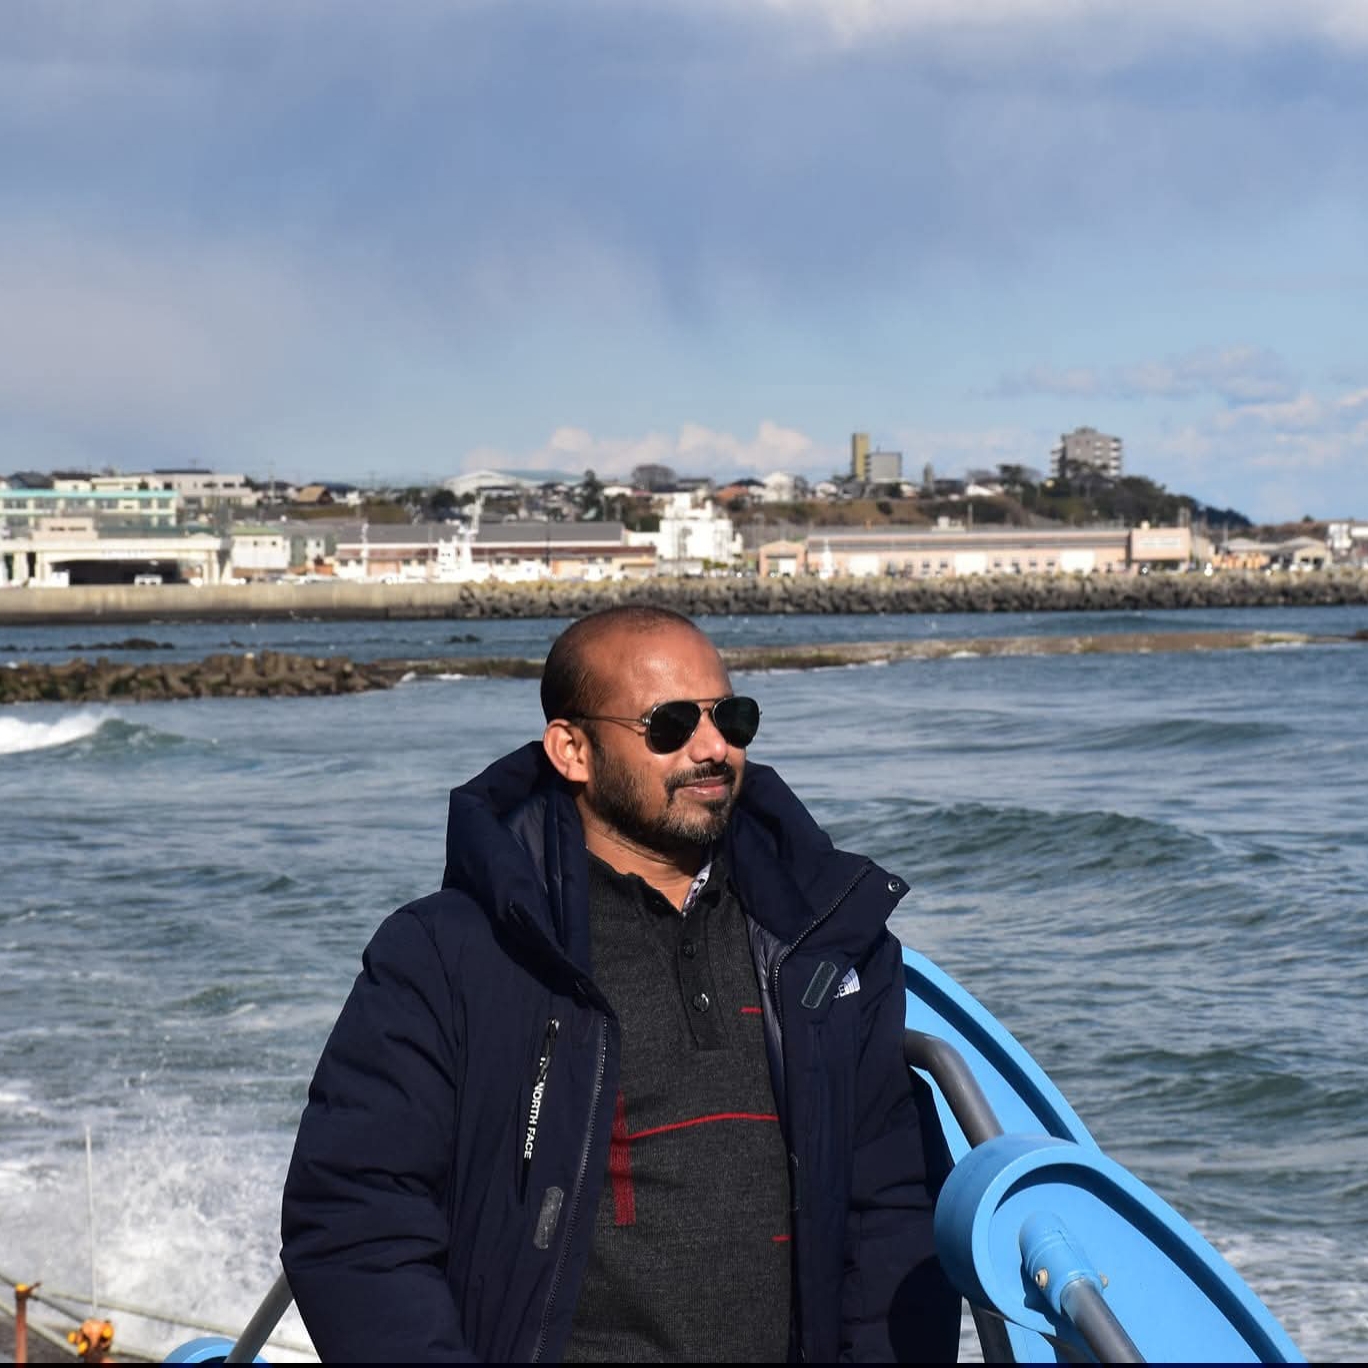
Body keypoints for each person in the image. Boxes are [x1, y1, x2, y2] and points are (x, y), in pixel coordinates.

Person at [280, 604, 959, 1362]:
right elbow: (356, 1218)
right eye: (670, 724)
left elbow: (893, 1205)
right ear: (572, 750)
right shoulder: (449, 954)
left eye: (731, 717)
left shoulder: (823, 942)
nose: (714, 747)